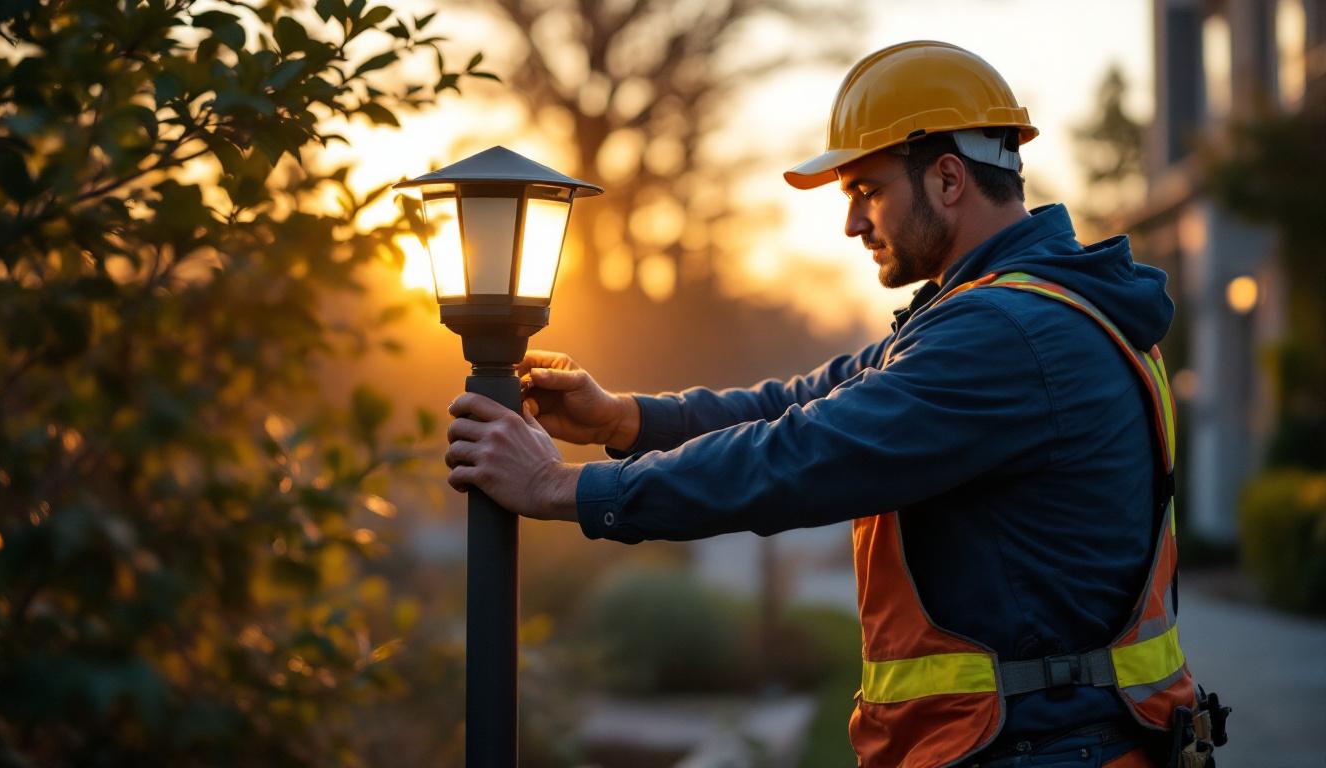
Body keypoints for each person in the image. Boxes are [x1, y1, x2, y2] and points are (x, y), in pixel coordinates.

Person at [445, 41, 1224, 767]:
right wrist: (625, 419)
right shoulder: (1000, 312)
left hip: (1041, 748)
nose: (852, 223)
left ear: (949, 179)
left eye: (867, 191)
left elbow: (803, 455)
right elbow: (803, 403)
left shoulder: (1008, 334)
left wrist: (562, 489)